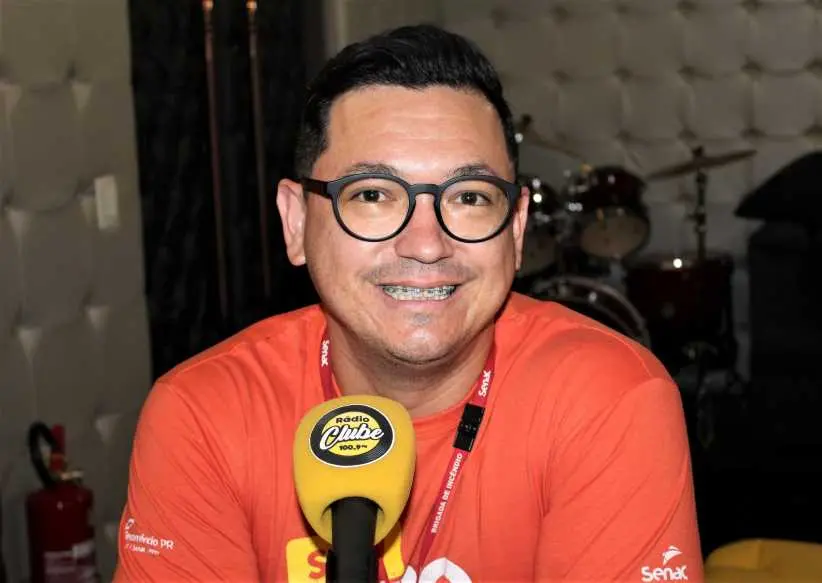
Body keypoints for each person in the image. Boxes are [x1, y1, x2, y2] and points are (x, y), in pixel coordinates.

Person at [114, 24, 703, 582]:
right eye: (372, 195)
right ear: (296, 222)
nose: (426, 244)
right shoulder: (205, 415)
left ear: (518, 227)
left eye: (470, 197)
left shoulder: (606, 399)